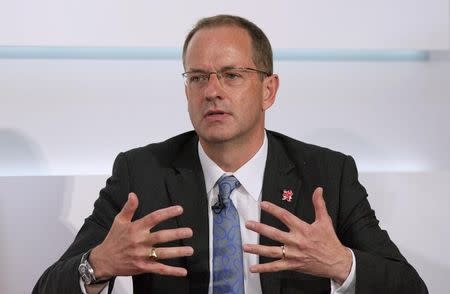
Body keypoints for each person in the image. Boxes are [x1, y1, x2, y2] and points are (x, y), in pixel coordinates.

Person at [33, 15, 427, 294]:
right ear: (187, 90)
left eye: (231, 75)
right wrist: (99, 264)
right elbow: (48, 286)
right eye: (198, 77)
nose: (212, 91)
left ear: (268, 90)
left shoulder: (327, 174)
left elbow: (411, 288)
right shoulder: (142, 173)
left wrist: (341, 264)